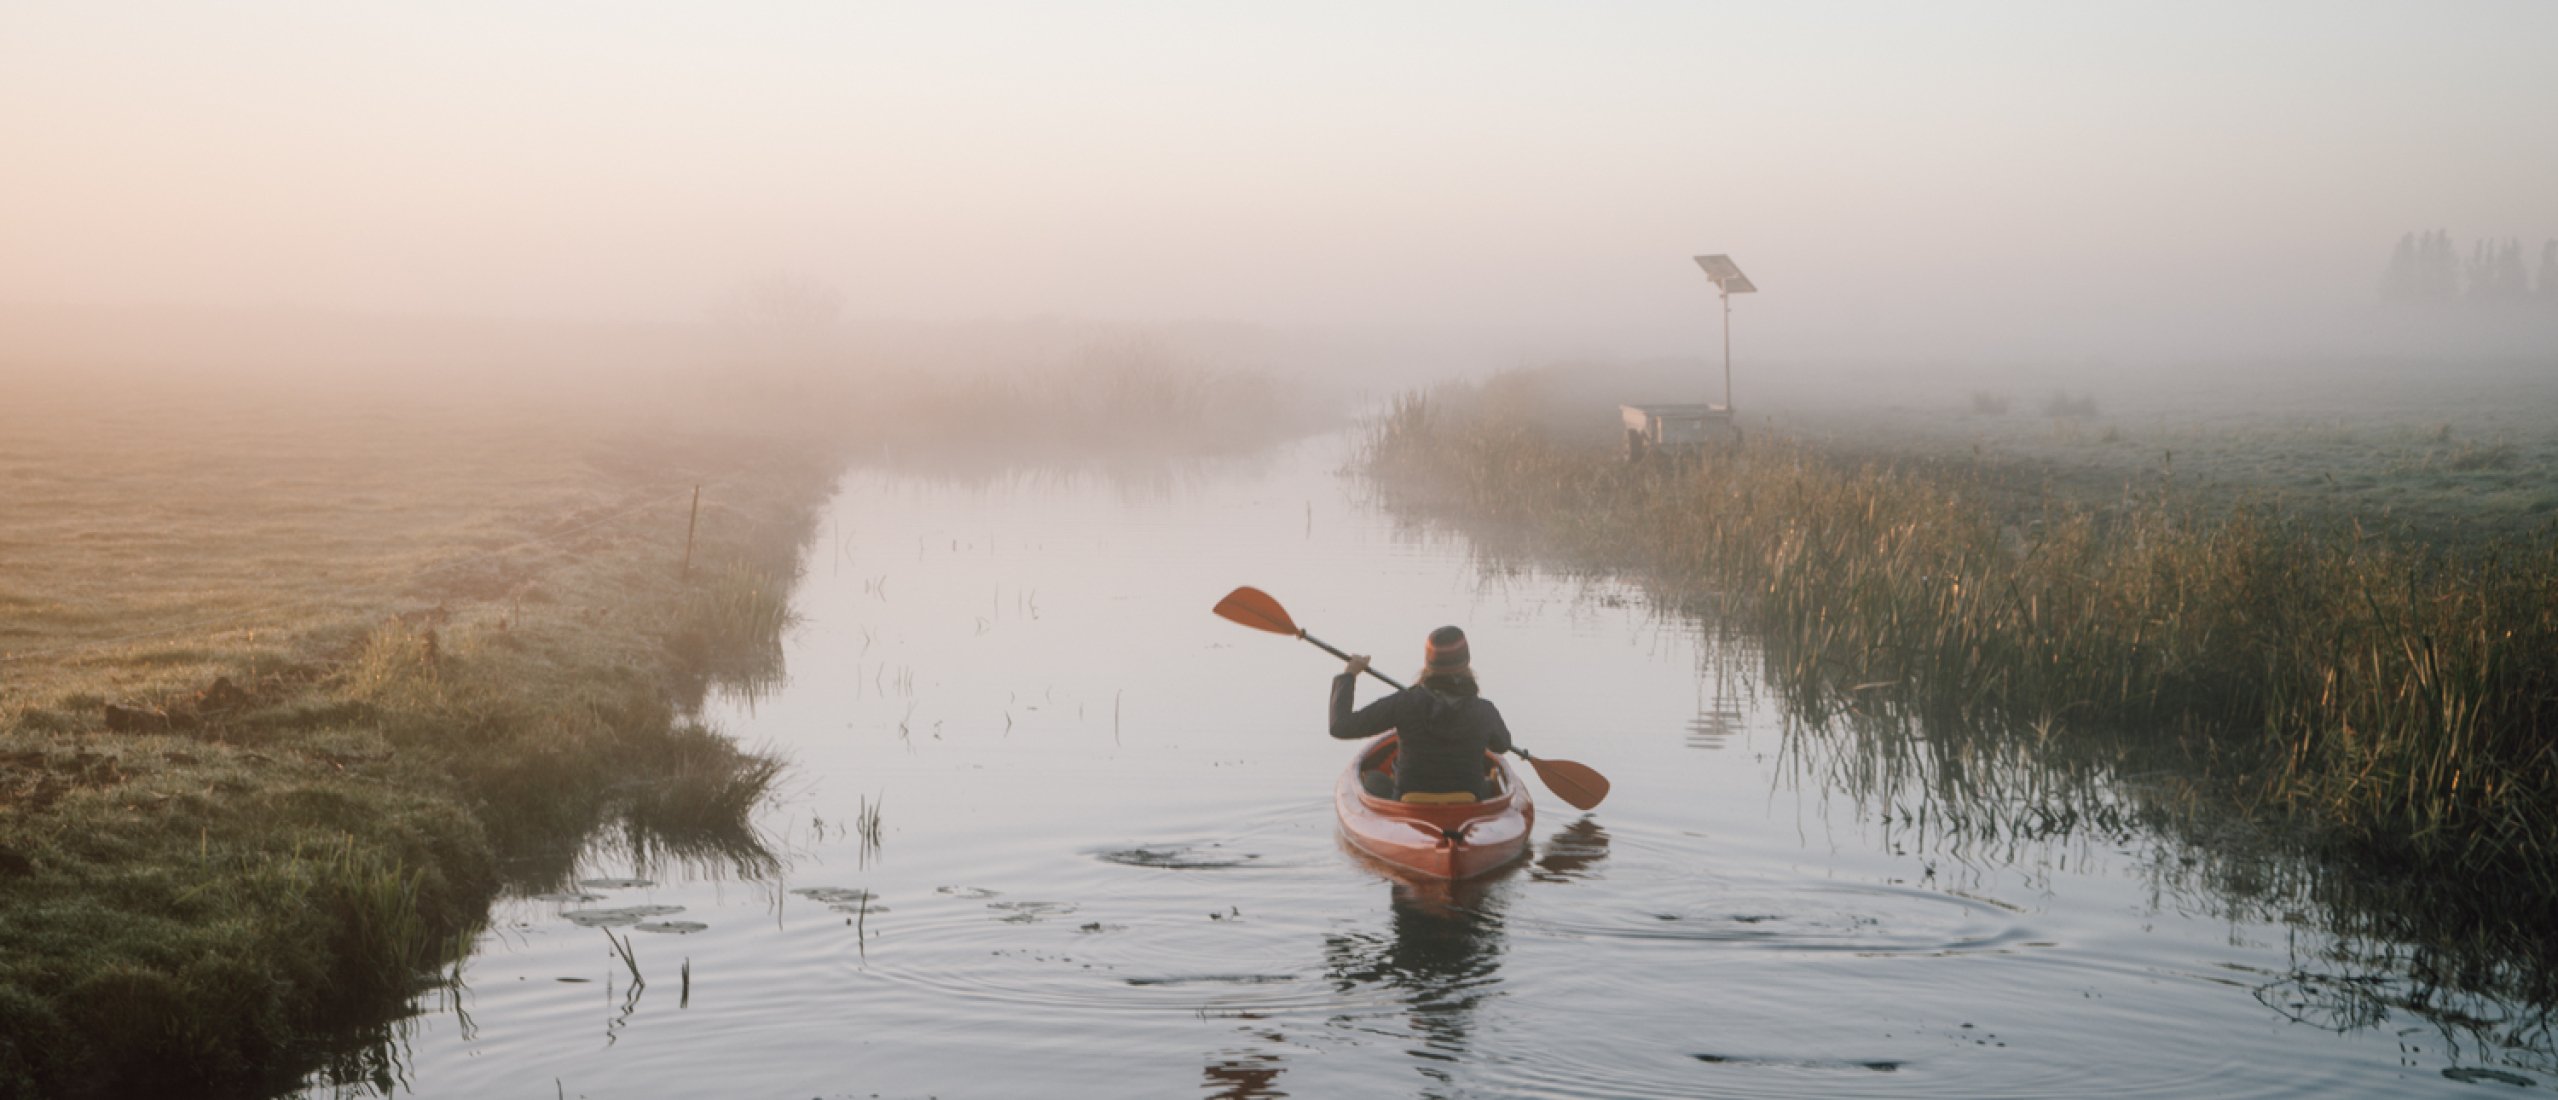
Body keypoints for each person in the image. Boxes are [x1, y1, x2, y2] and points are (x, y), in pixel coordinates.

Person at [1330, 625, 1514, 800]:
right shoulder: (1484, 710)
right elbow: (1502, 745)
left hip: (1409, 801)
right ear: (1466, 663)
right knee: (1493, 781)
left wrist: (1349, 674)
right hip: (1469, 801)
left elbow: (1341, 726)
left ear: (1428, 664)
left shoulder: (1404, 703)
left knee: (1372, 778)